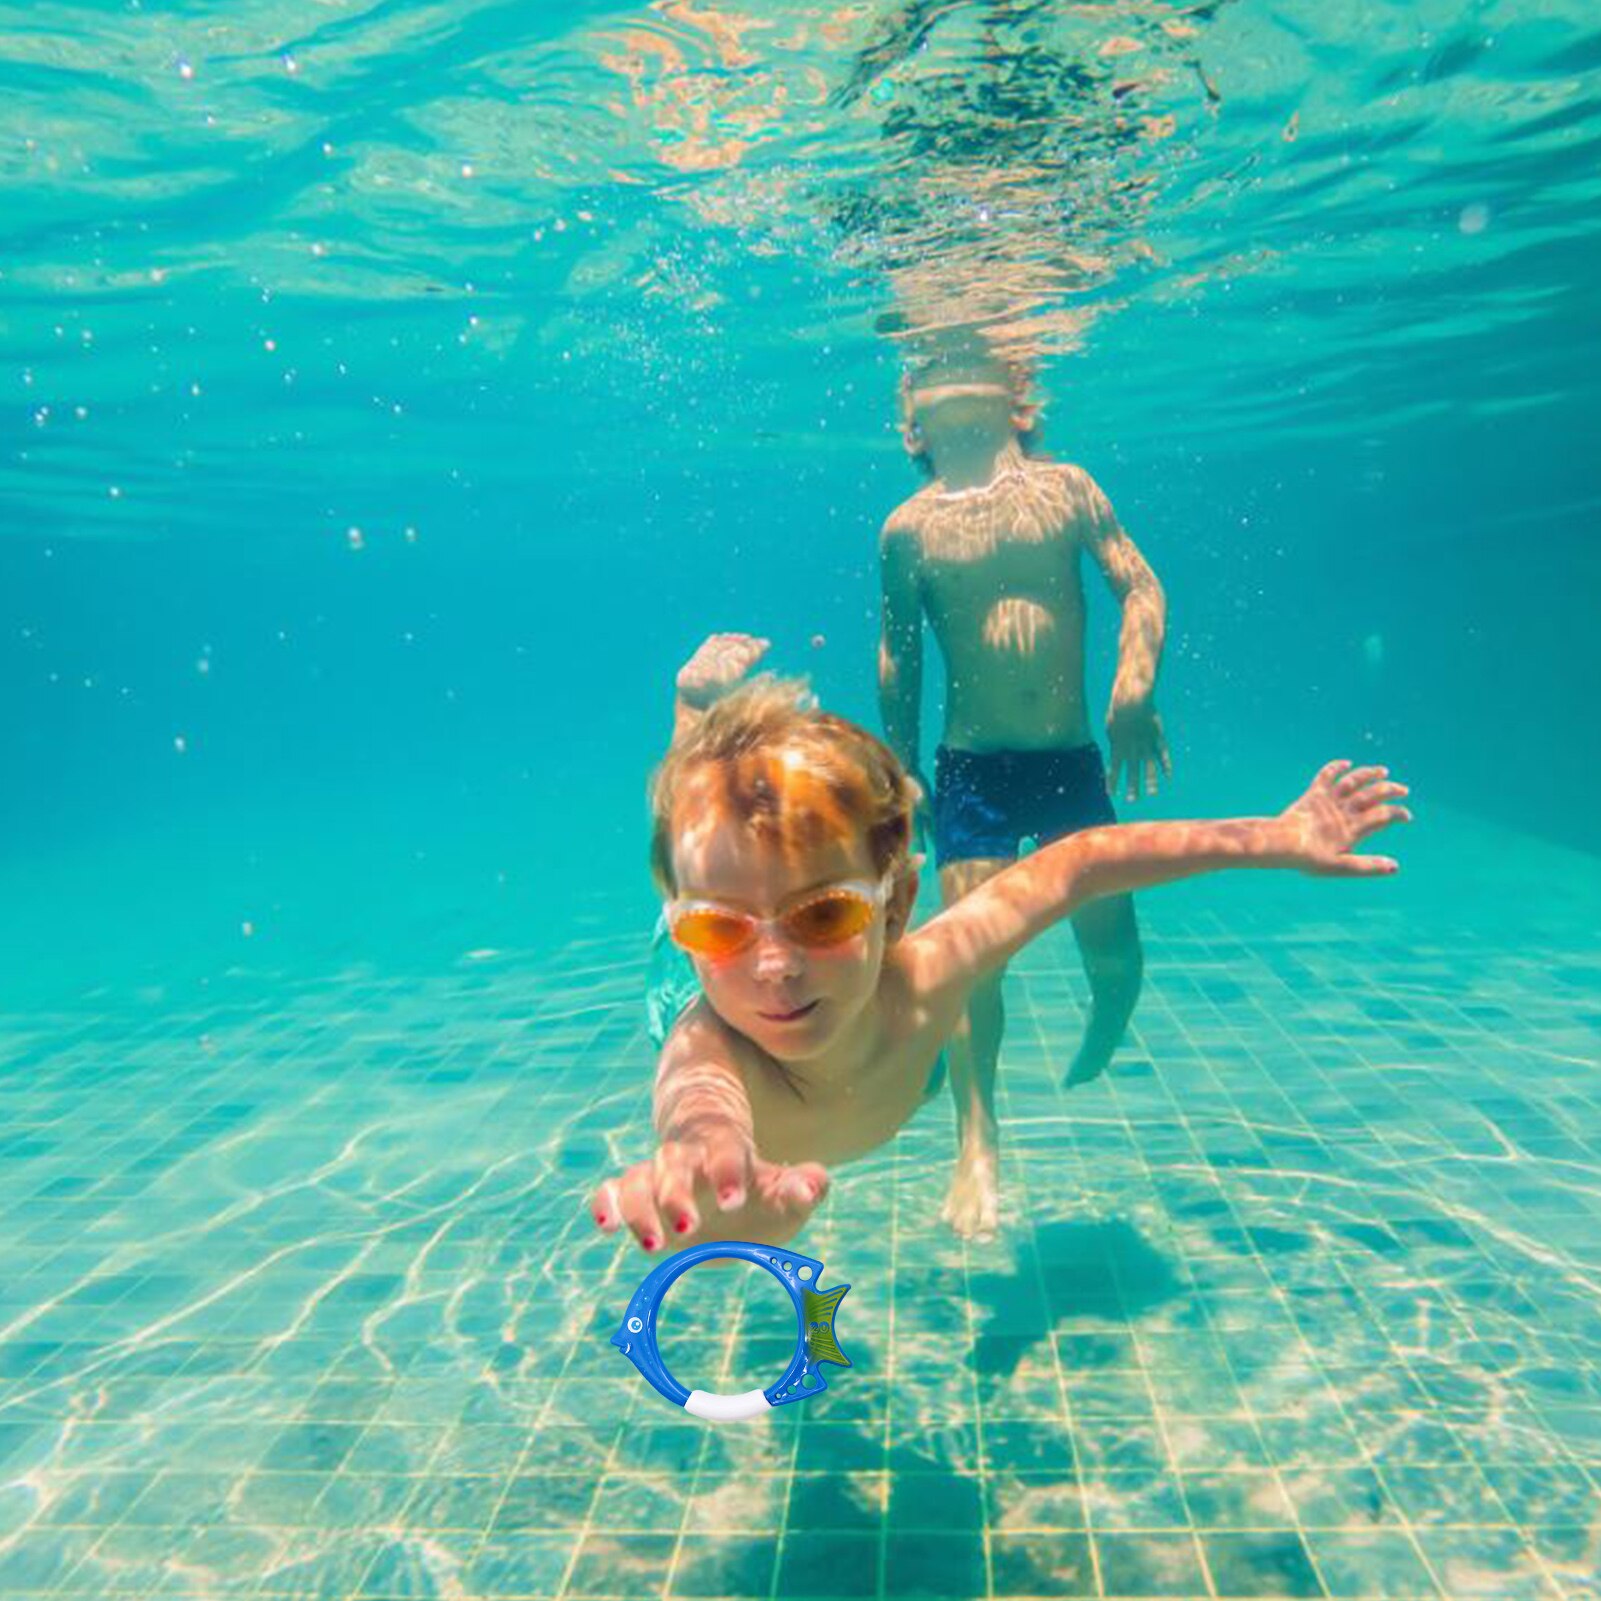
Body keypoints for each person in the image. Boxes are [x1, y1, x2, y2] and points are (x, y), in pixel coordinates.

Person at [590, 634, 1409, 1255]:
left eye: (821, 916)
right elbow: (699, 1103)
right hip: (686, 976)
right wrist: (705, 1161)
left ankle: (707, 793)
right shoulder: (711, 1042)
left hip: (877, 1000)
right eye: (719, 925)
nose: (773, 965)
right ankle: (692, 728)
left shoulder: (931, 966)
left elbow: (1076, 864)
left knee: (721, 853)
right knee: (698, 833)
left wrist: (1277, 834)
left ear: (897, 903)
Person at [878, 332, 1170, 1238]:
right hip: (973, 772)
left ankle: (1109, 1013)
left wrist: (1133, 691)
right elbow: (899, 655)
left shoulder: (1068, 489)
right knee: (973, 960)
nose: (950, 382)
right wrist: (903, 772)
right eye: (929, 374)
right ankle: (977, 1136)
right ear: (911, 424)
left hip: (1071, 760)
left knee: (1112, 947)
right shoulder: (906, 530)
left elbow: (1141, 585)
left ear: (1020, 401)